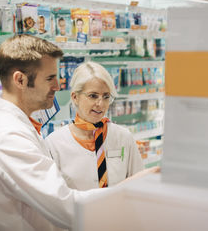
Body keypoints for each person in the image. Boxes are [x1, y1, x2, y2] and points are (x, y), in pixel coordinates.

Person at [0, 34, 159, 231]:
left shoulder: (20, 128)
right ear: (20, 80)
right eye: (50, 78)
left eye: (106, 97)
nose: (58, 85)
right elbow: (68, 207)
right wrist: (130, 186)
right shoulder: (8, 138)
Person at [45, 62, 144, 190]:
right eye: (93, 96)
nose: (100, 104)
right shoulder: (54, 144)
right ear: (75, 97)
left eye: (106, 96)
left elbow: (139, 185)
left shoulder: (123, 137)